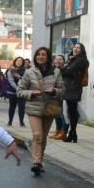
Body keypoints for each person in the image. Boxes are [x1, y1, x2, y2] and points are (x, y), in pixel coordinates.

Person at [17, 46, 65, 176]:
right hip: (34, 108)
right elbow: (19, 90)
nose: (41, 57)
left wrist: (54, 91)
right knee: (37, 135)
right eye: (38, 54)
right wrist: (31, 93)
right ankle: (36, 162)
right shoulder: (29, 72)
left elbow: (62, 90)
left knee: (43, 137)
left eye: (44, 54)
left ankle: (40, 160)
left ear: (48, 57)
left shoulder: (56, 72)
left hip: (49, 107)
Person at [61, 43, 89, 143]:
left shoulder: (81, 60)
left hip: (74, 88)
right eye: (75, 47)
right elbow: (66, 70)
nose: (76, 49)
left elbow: (68, 71)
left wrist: (63, 68)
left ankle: (72, 133)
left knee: (72, 111)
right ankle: (72, 133)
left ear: (82, 50)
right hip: (69, 88)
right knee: (71, 110)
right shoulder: (71, 58)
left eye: (78, 48)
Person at [5, 57, 27, 127]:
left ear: (22, 62)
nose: (19, 62)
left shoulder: (25, 71)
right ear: (15, 61)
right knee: (12, 107)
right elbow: (11, 81)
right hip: (12, 92)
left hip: (22, 92)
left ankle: (21, 122)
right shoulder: (10, 70)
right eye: (18, 61)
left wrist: (19, 77)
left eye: (20, 61)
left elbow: (26, 80)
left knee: (21, 107)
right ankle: (10, 121)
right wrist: (18, 88)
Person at [52, 55, 68, 141]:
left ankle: (63, 132)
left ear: (64, 61)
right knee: (56, 114)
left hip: (65, 95)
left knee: (64, 115)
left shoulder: (66, 69)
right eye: (56, 59)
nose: (58, 61)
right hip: (56, 95)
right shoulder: (54, 70)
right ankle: (57, 130)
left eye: (60, 59)